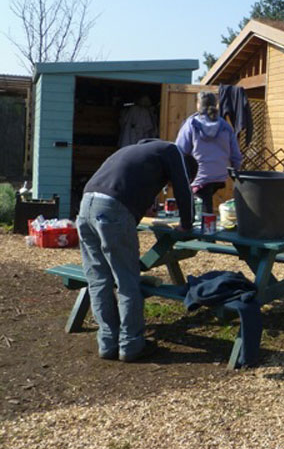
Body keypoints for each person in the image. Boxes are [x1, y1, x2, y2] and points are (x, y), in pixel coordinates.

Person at [76, 139, 198, 362]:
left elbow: (129, 182)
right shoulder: (174, 152)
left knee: (98, 279)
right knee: (127, 279)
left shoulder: (142, 149)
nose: (169, 184)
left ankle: (107, 343)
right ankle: (131, 345)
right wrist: (187, 224)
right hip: (112, 208)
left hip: (86, 204)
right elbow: (183, 188)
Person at [176, 92, 242, 214]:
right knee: (206, 200)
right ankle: (206, 223)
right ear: (215, 105)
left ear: (198, 104)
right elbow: (236, 154)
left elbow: (180, 151)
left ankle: (202, 227)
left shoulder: (192, 124)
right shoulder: (225, 126)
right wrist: (235, 170)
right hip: (220, 175)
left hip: (199, 176)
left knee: (198, 204)